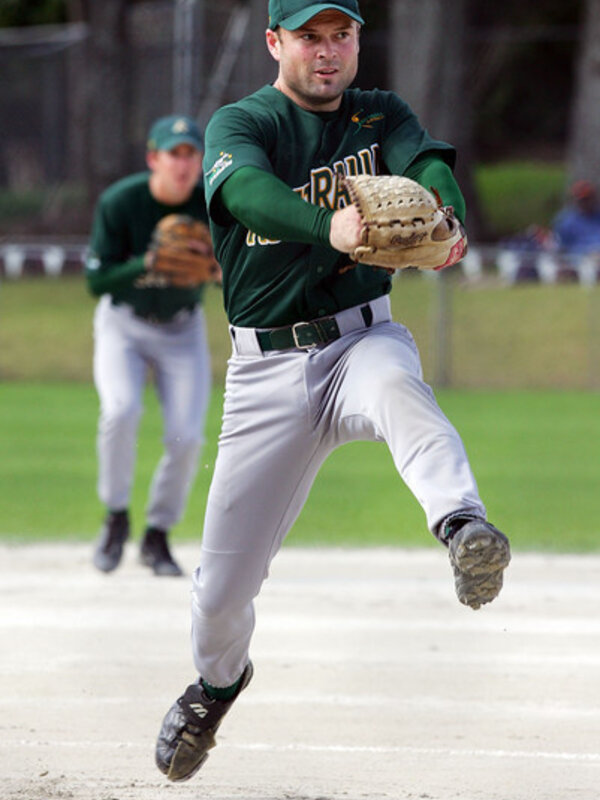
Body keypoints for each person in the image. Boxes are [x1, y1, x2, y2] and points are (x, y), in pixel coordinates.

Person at [155, 0, 511, 781]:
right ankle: (217, 688)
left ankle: (464, 527)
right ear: (275, 41)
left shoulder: (378, 114)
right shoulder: (241, 123)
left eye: (340, 34)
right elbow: (243, 193)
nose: (327, 52)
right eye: (309, 37)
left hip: (360, 337)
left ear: (357, 40)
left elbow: (427, 165)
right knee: (219, 596)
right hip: (265, 374)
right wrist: (332, 229)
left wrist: (444, 216)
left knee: (400, 390)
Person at [86, 115, 216, 577]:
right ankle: (116, 517)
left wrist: (218, 271)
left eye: (190, 154)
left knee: (187, 436)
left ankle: (157, 535)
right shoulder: (121, 202)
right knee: (120, 411)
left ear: (201, 162)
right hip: (124, 323)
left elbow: (230, 274)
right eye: (173, 153)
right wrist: (146, 263)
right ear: (153, 158)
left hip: (182, 329)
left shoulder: (211, 204)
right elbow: (95, 279)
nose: (182, 164)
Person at [552, 179, 600, 255]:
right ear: (576, 200)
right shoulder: (565, 221)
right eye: (582, 200)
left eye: (588, 199)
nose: (586, 203)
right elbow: (561, 248)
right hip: (578, 261)